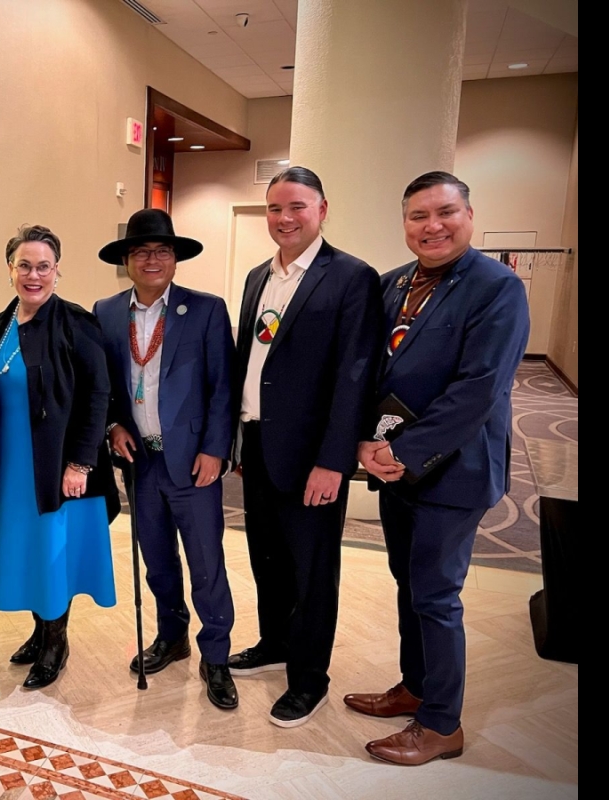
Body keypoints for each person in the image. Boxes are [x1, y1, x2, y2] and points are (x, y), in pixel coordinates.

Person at [344, 172, 530, 765]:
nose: (432, 226)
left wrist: (401, 451)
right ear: (405, 225)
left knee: (437, 595)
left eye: (445, 212)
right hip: (396, 465)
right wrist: (364, 443)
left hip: (454, 472)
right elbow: (372, 369)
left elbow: (479, 389)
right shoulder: (394, 283)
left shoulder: (498, 287)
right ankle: (416, 685)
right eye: (418, 216)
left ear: (469, 216)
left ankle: (442, 723)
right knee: (409, 584)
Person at [228, 167, 383, 727]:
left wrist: (333, 462)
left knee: (312, 570)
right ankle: (275, 642)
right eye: (274, 208)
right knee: (265, 557)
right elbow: (250, 365)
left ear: (322, 209)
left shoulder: (350, 277)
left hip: (313, 454)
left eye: (297, 206)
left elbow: (354, 375)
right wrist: (240, 440)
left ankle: (309, 679)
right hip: (259, 443)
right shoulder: (256, 278)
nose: (284, 218)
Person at [94, 209, 238, 710]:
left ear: (174, 259)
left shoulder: (206, 310)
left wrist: (216, 449)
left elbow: (224, 388)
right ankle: (171, 635)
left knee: (206, 564)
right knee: (157, 561)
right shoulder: (107, 312)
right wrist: (112, 425)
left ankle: (215, 654)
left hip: (193, 461)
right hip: (142, 462)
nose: (151, 259)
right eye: (141, 252)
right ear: (128, 262)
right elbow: (104, 386)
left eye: (161, 251)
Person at [0, 224, 118, 690]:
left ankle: (57, 643)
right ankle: (40, 633)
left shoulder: (76, 323)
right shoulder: (0, 325)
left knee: (54, 556)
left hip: (56, 469)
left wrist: (80, 464)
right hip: (13, 468)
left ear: (57, 271)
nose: (33, 275)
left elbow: (98, 395)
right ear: (10, 270)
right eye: (24, 266)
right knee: (31, 553)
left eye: (43, 266)